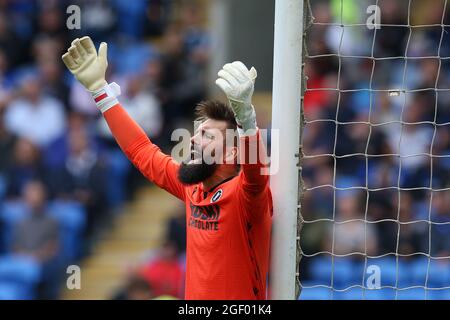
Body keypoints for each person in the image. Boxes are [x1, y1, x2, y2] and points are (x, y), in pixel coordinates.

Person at [62, 36, 272, 300]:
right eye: (197, 132)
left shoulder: (246, 196)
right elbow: (141, 150)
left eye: (207, 135)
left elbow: (256, 176)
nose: (194, 139)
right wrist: (99, 90)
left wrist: (246, 120)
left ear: (232, 151)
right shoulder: (193, 189)